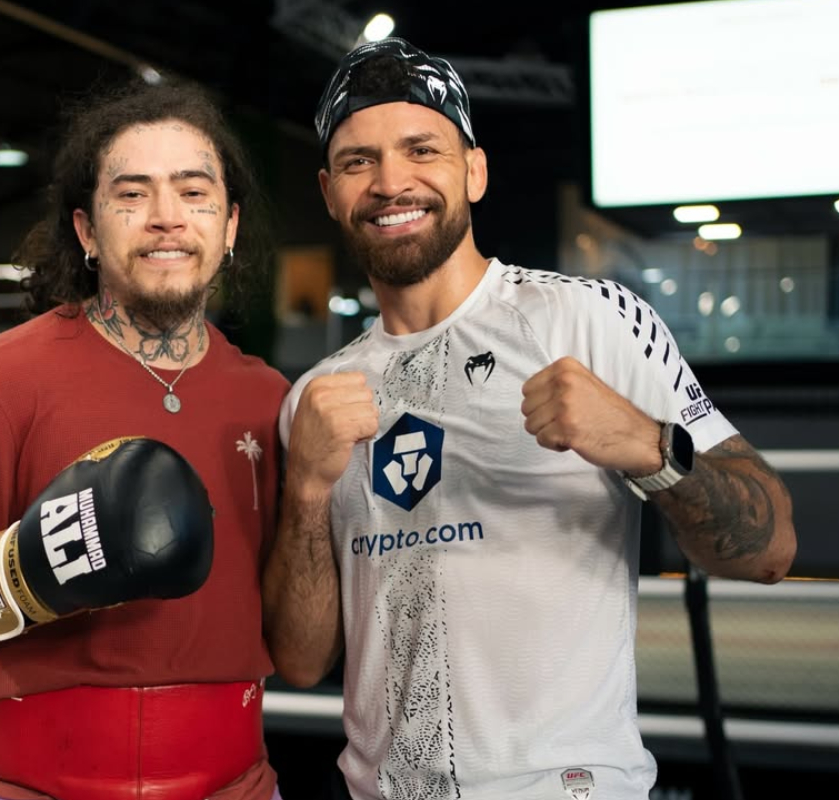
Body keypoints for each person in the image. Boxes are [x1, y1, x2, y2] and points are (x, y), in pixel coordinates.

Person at [262, 38, 797, 800]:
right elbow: (303, 662)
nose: (390, 182)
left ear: (474, 171)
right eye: (358, 161)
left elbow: (771, 547)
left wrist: (649, 447)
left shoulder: (590, 321)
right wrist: (307, 494)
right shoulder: (316, 394)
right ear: (327, 190)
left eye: (422, 149)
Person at [0, 76, 290, 800]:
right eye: (132, 194)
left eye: (194, 192)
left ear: (229, 227)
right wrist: (24, 573)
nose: (165, 218)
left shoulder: (270, 401)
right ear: (87, 230)